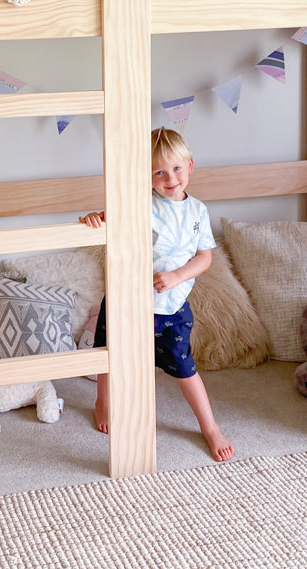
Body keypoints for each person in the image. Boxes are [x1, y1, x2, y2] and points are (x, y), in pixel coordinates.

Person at [79, 126, 234, 462]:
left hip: (170, 308)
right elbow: (109, 220)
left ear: (190, 166)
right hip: (127, 303)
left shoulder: (198, 211)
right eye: (159, 172)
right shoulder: (140, 204)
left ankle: (209, 426)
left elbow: (204, 257)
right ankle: (103, 401)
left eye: (176, 168)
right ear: (146, 176)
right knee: (110, 356)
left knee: (184, 368)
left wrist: (177, 276)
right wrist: (95, 219)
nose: (170, 178)